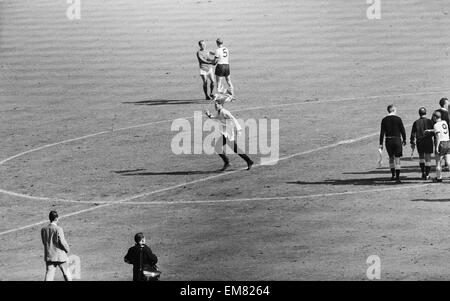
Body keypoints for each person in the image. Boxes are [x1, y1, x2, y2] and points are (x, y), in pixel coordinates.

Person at [205, 100, 253, 171]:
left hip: (228, 134)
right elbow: (217, 118)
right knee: (218, 147)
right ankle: (228, 162)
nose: (215, 106)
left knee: (234, 149)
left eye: (216, 105)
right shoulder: (220, 112)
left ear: (221, 105)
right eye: (215, 105)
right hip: (225, 134)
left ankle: (248, 161)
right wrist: (209, 115)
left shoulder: (224, 112)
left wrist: (238, 130)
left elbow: (234, 119)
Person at [41, 210, 72, 281]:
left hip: (49, 255)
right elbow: (62, 242)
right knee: (66, 273)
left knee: (49, 275)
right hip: (60, 255)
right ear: (56, 218)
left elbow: (44, 242)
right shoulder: (58, 229)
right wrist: (67, 249)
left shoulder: (43, 229)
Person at [379, 104, 406, 184]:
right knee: (397, 159)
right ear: (393, 110)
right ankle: (397, 177)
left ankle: (393, 175)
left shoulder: (384, 120)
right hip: (397, 140)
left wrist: (381, 143)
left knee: (391, 158)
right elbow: (402, 130)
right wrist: (404, 139)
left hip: (388, 140)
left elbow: (382, 133)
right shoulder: (398, 119)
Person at [410, 107, 434, 180]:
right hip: (428, 141)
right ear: (425, 113)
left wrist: (412, 142)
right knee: (428, 158)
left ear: (419, 113)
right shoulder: (429, 121)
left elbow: (413, 134)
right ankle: (427, 174)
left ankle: (423, 172)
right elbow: (434, 132)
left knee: (421, 158)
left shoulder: (416, 122)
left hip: (419, 142)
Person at [426, 111, 450, 182]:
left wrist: (437, 147)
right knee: (448, 162)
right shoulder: (444, 122)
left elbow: (438, 136)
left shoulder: (436, 125)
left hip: (441, 143)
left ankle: (439, 178)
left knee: (438, 162)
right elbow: (440, 130)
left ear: (434, 117)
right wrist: (430, 130)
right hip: (448, 142)